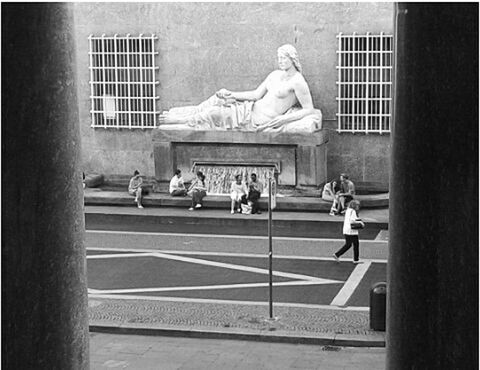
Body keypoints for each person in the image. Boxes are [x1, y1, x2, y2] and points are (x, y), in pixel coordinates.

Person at [158, 44, 322, 132]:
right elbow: (256, 94)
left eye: (283, 58)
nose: (280, 61)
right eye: (278, 58)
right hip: (250, 108)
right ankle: (186, 112)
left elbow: (309, 109)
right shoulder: (274, 74)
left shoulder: (298, 82)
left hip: (259, 119)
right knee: (218, 100)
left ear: (292, 59)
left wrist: (284, 119)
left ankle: (180, 121)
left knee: (214, 113)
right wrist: (232, 94)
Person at [333, 200, 364, 264]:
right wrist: (360, 222)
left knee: (348, 244)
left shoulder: (348, 210)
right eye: (357, 205)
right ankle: (356, 259)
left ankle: (337, 254)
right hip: (352, 231)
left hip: (346, 229)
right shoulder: (353, 211)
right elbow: (352, 220)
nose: (358, 207)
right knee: (355, 244)